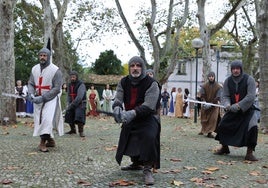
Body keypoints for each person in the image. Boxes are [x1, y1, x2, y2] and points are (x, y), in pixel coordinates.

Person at [112, 56, 161, 185]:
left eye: (138, 65)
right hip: (130, 117)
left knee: (148, 136)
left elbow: (149, 105)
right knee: (128, 136)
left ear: (142, 67)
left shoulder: (152, 83)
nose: (135, 68)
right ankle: (136, 163)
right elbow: (118, 98)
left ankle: (147, 169)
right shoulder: (123, 82)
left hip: (148, 117)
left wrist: (133, 113)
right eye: (132, 66)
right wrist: (117, 108)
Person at [214, 61, 258, 161]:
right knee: (222, 125)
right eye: (233, 68)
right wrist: (227, 104)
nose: (235, 70)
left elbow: (251, 96)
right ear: (231, 70)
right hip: (232, 110)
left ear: (241, 69)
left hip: (247, 110)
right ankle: (224, 148)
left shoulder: (249, 79)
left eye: (237, 68)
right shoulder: (228, 81)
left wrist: (238, 106)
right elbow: (225, 95)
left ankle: (249, 153)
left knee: (253, 127)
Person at [27, 47, 64, 152]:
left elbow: (57, 88)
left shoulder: (55, 70)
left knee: (46, 120)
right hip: (37, 97)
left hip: (50, 99)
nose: (42, 57)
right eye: (41, 55)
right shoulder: (34, 69)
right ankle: (51, 140)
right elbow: (31, 83)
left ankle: (42, 143)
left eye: (44, 55)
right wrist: (30, 93)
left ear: (48, 57)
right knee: (39, 120)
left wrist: (43, 97)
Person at [199, 72, 222, 138]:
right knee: (204, 119)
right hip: (205, 105)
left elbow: (218, 97)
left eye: (212, 76)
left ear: (214, 77)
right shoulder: (204, 86)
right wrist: (204, 102)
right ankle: (203, 130)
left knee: (213, 119)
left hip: (214, 106)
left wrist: (212, 104)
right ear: (208, 77)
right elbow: (202, 95)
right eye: (210, 76)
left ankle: (210, 132)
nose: (211, 77)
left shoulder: (218, 86)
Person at [64, 71, 87, 137]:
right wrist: (69, 103)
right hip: (72, 103)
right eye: (71, 77)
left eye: (73, 77)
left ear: (76, 77)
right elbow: (68, 95)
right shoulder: (69, 85)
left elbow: (79, 97)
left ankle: (81, 131)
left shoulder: (81, 84)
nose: (72, 78)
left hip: (80, 103)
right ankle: (73, 130)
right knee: (68, 114)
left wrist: (72, 104)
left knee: (79, 116)